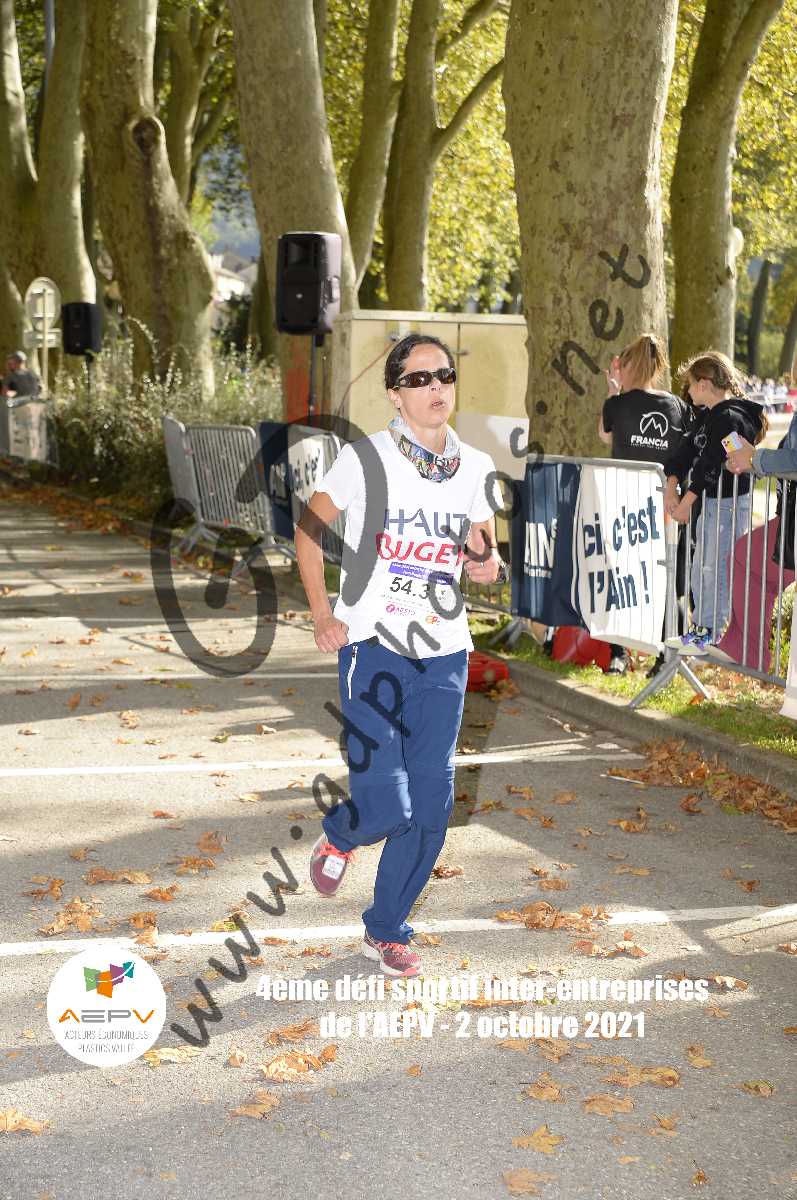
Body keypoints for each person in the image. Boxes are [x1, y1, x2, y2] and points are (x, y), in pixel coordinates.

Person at [294, 332, 503, 978]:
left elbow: (484, 553)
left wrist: (487, 561)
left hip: (444, 655)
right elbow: (308, 530)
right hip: (373, 648)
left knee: (432, 809)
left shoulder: (475, 467)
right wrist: (322, 613)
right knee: (388, 805)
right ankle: (341, 833)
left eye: (444, 375)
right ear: (394, 393)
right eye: (419, 379)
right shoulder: (365, 459)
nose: (436, 387)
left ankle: (385, 930)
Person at [597, 332, 693, 675]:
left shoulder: (617, 404)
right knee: (664, 580)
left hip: (626, 508)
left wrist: (612, 392)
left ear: (624, 367)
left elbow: (605, 436)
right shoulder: (677, 406)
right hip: (666, 508)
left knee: (619, 576)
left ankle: (620, 654)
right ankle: (667, 655)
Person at [663, 350, 766, 653]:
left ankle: (711, 632)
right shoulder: (708, 417)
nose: (688, 392)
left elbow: (710, 465)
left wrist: (685, 503)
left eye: (690, 385)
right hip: (710, 504)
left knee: (714, 567)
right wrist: (671, 487)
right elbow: (684, 453)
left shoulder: (730, 418)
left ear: (704, 384)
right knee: (700, 567)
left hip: (727, 505)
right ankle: (701, 629)